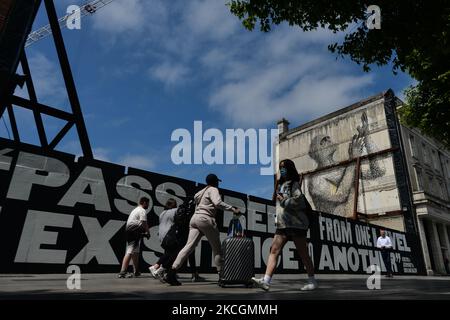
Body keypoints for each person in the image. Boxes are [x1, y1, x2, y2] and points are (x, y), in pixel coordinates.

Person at [252, 159, 318, 291]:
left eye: (284, 167)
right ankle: (266, 281)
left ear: (289, 169)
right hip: (283, 225)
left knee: (303, 253)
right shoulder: (281, 185)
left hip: (296, 225)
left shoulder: (294, 184)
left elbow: (299, 202)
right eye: (280, 167)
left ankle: (312, 281)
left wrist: (284, 201)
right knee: (274, 250)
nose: (281, 169)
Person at [164, 174, 240, 286]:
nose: (218, 184)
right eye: (217, 182)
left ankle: (172, 272)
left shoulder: (199, 193)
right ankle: (222, 276)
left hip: (194, 219)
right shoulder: (213, 189)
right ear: (215, 182)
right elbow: (218, 203)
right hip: (205, 218)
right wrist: (233, 209)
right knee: (217, 249)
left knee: (188, 247)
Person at [118, 197, 150, 278]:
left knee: (135, 252)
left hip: (131, 231)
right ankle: (122, 272)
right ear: (144, 202)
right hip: (134, 231)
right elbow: (144, 223)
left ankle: (136, 271)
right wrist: (148, 232)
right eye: (147, 203)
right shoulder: (142, 210)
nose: (148, 205)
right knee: (130, 251)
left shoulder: (135, 210)